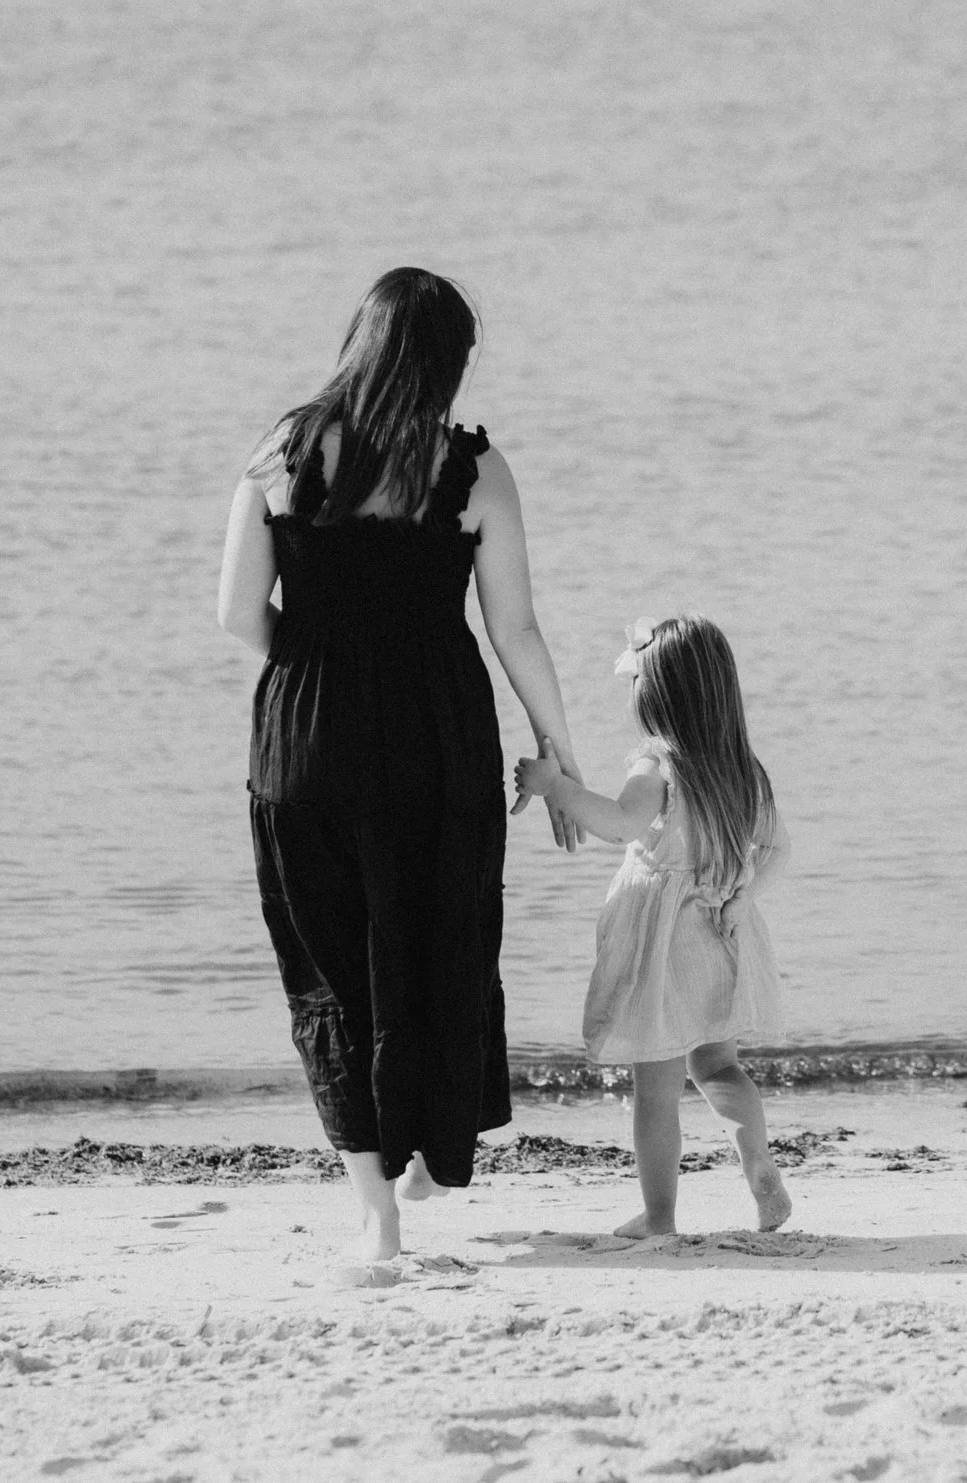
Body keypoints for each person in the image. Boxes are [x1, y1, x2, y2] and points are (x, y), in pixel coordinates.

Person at [217, 267, 587, 1270]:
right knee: (439, 943)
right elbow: (515, 627)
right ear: (448, 363)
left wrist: (317, 665)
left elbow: (237, 616)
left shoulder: (280, 453)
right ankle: (430, 1148)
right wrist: (560, 746)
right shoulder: (471, 468)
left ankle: (377, 1210)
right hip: (437, 737)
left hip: (306, 736)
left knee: (332, 968)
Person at [515, 614, 793, 1238]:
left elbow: (617, 823)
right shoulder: (742, 770)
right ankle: (759, 1168)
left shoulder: (659, 766)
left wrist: (555, 786)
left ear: (654, 695)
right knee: (720, 1067)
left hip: (666, 947)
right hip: (721, 936)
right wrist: (742, 896)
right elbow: (778, 851)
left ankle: (660, 1217)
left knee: (656, 1089)